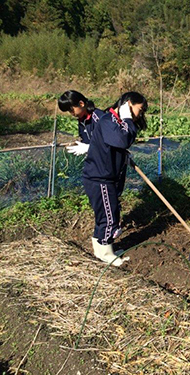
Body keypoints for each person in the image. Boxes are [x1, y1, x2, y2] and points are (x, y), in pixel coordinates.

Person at [83, 92, 148, 266]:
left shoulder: (114, 121)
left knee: (105, 215)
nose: (139, 115)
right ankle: (105, 254)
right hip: (100, 178)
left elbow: (119, 143)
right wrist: (127, 119)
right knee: (109, 217)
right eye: (139, 110)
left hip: (104, 176)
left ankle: (102, 251)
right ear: (128, 104)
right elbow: (122, 140)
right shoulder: (108, 120)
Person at [58, 90, 104, 156]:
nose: (71, 114)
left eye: (71, 110)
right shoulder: (82, 121)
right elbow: (86, 141)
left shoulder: (99, 118)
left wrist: (89, 148)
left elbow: (109, 142)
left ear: (81, 104)